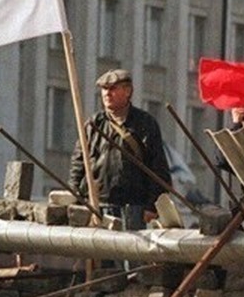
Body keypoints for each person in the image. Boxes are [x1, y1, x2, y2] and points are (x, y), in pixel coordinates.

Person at [69, 69, 172, 213]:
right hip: (95, 205)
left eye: (112, 88)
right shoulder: (93, 124)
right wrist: (75, 197)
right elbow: (78, 164)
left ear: (127, 91)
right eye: (104, 89)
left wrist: (151, 207)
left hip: (131, 208)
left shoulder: (145, 124)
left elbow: (158, 169)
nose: (106, 93)